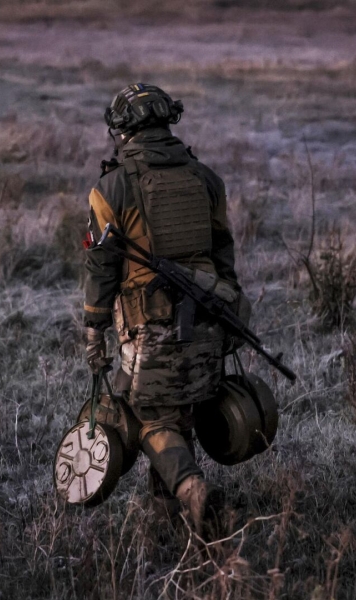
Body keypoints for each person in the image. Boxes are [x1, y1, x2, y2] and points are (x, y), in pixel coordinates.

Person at [81, 83, 243, 539]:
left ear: (121, 129)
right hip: (210, 322)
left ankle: (192, 491)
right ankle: (166, 526)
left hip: (150, 329)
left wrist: (94, 329)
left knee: (149, 416)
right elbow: (224, 255)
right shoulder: (206, 178)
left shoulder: (111, 186)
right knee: (177, 415)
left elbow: (100, 266)